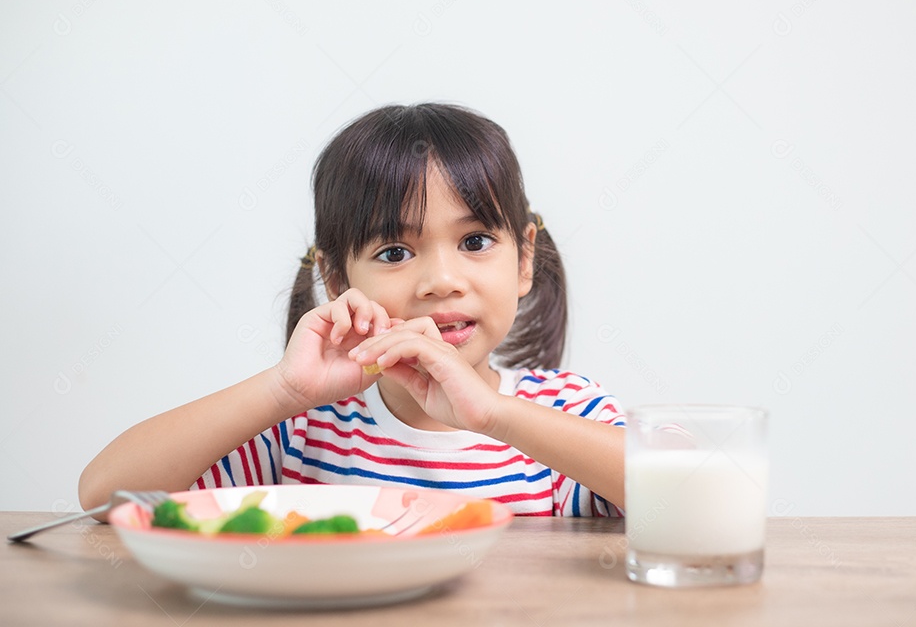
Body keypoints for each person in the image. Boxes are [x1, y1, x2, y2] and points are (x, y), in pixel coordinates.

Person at [79, 103, 625, 517]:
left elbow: (693, 498)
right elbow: (106, 497)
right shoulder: (304, 433)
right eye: (394, 252)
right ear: (338, 280)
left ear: (525, 258)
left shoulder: (564, 417)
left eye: (476, 241)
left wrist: (493, 415)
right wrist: (283, 393)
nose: (442, 281)